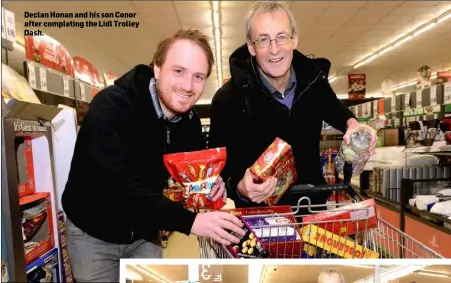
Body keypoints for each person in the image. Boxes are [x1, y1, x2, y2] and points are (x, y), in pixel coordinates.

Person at [62, 29, 245, 282]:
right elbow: (119, 186)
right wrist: (190, 222)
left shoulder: (189, 122)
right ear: (157, 69)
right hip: (93, 232)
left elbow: (193, 176)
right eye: (178, 71)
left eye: (198, 76)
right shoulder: (112, 107)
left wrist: (212, 185)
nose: (187, 86)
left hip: (144, 234)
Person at [208, 1, 377, 208]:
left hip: (311, 211)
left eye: (281, 37)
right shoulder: (227, 100)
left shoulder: (313, 82)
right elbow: (217, 171)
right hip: (258, 222)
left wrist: (354, 124)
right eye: (263, 40)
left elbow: (335, 109)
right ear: (251, 47)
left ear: (294, 38)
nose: (274, 49)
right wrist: (240, 187)